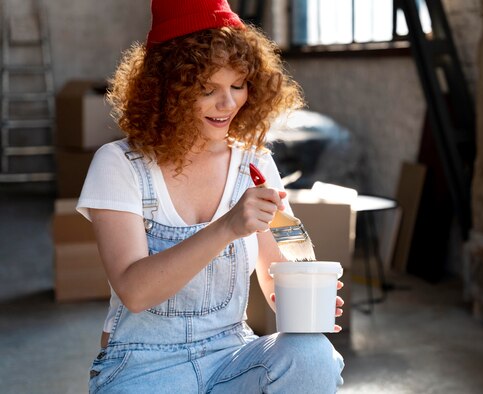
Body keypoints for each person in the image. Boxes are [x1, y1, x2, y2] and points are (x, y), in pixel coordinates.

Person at [77, 1, 345, 392]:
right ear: (167, 89)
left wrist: (305, 291)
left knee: (312, 355)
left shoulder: (254, 164)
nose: (229, 103)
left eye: (238, 85)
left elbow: (277, 273)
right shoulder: (120, 165)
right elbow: (134, 292)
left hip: (231, 356)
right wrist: (227, 227)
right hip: (143, 366)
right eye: (208, 89)